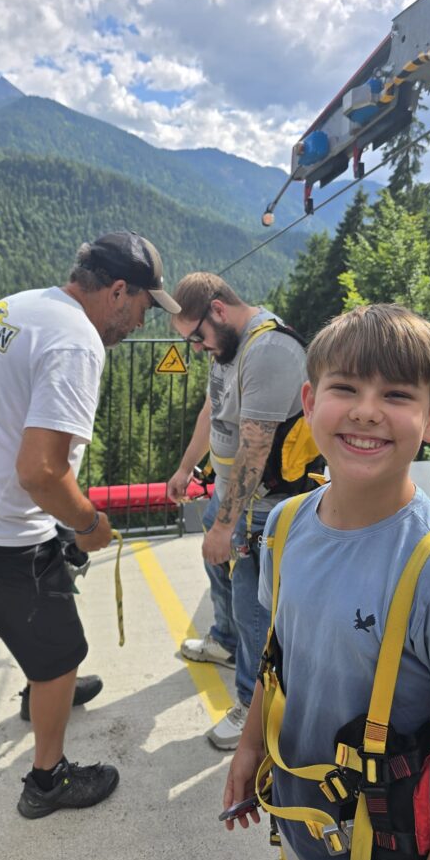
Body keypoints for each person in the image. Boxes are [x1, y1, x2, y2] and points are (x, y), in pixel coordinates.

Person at [225, 304, 430, 860]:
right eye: (344, 388)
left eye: (397, 395)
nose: (367, 412)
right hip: (304, 833)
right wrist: (251, 746)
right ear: (309, 402)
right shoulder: (287, 524)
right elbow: (280, 658)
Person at [0, 231, 180, 819]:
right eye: (143, 307)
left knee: (37, 628)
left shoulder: (17, 305)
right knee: (63, 649)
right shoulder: (77, 343)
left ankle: (40, 692)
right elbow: (40, 472)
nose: (141, 324)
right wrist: (89, 524)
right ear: (118, 291)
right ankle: (47, 781)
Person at [167, 272, 314, 749]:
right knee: (219, 571)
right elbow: (213, 411)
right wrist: (187, 469)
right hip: (227, 496)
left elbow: (256, 446)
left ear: (217, 310)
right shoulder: (228, 347)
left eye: (196, 338)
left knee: (253, 602)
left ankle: (251, 704)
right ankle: (225, 642)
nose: (195, 349)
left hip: (262, 507)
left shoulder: (269, 350)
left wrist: (228, 524)